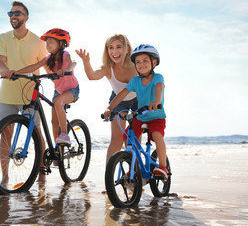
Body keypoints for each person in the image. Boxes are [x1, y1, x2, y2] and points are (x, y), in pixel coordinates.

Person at [0, 1, 48, 184]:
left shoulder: (39, 41)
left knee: (37, 133)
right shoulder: (3, 38)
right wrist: (4, 70)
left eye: (17, 13)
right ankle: (5, 177)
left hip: (29, 95)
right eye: (10, 13)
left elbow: (47, 64)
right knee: (5, 134)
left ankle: (42, 171)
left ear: (26, 17)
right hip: (7, 95)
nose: (13, 16)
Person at [103, 44, 168, 179]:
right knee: (128, 137)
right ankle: (134, 167)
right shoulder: (135, 81)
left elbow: (159, 88)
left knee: (156, 135)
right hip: (141, 116)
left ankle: (162, 167)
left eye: (145, 61)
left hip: (156, 116)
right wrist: (110, 108)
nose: (141, 64)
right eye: (138, 62)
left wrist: (156, 101)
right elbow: (121, 94)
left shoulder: (158, 78)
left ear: (154, 62)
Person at [76, 34, 138, 166]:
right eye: (111, 48)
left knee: (133, 140)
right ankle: (108, 182)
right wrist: (86, 62)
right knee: (116, 139)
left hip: (139, 100)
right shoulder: (107, 68)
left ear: (127, 49)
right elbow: (92, 76)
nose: (114, 51)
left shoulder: (135, 66)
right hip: (118, 100)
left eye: (119, 47)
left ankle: (134, 177)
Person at [13, 28, 79, 144]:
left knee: (58, 102)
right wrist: (17, 72)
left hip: (72, 89)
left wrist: (66, 69)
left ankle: (65, 135)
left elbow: (73, 62)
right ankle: (57, 150)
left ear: (61, 44)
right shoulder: (49, 59)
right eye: (46, 42)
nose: (47, 44)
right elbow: (34, 66)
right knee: (54, 122)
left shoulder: (65, 55)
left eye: (51, 42)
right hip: (58, 91)